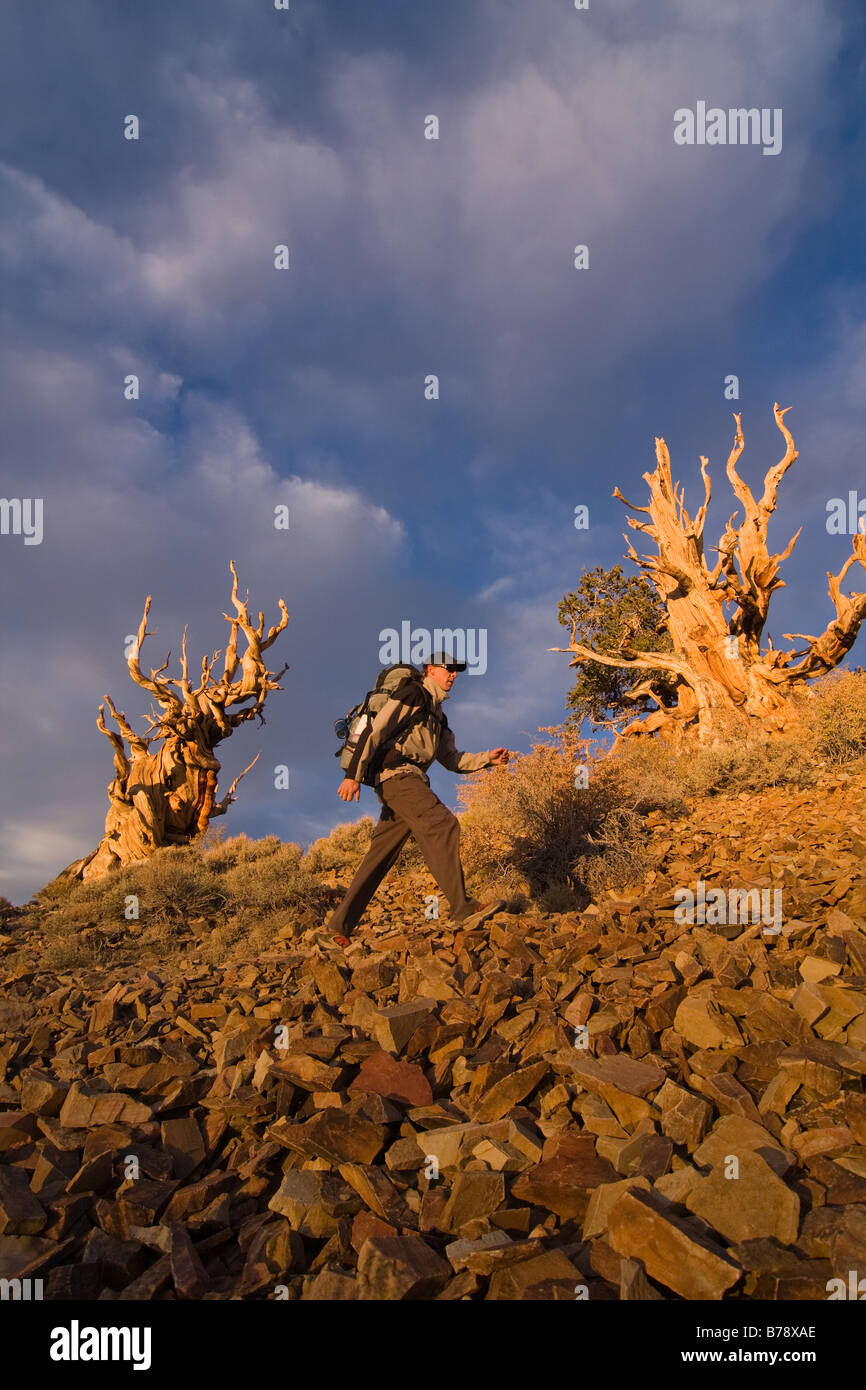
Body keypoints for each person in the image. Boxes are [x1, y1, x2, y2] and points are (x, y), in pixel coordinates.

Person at [323, 651, 511, 946]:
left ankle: (337, 929)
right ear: (431, 670)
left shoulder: (439, 715)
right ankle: (462, 908)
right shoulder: (414, 693)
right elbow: (376, 730)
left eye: (457, 670)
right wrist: (353, 776)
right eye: (448, 669)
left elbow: (451, 759)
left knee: (379, 858)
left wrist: (487, 758)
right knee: (443, 825)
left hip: (407, 783)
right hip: (397, 778)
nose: (454, 674)